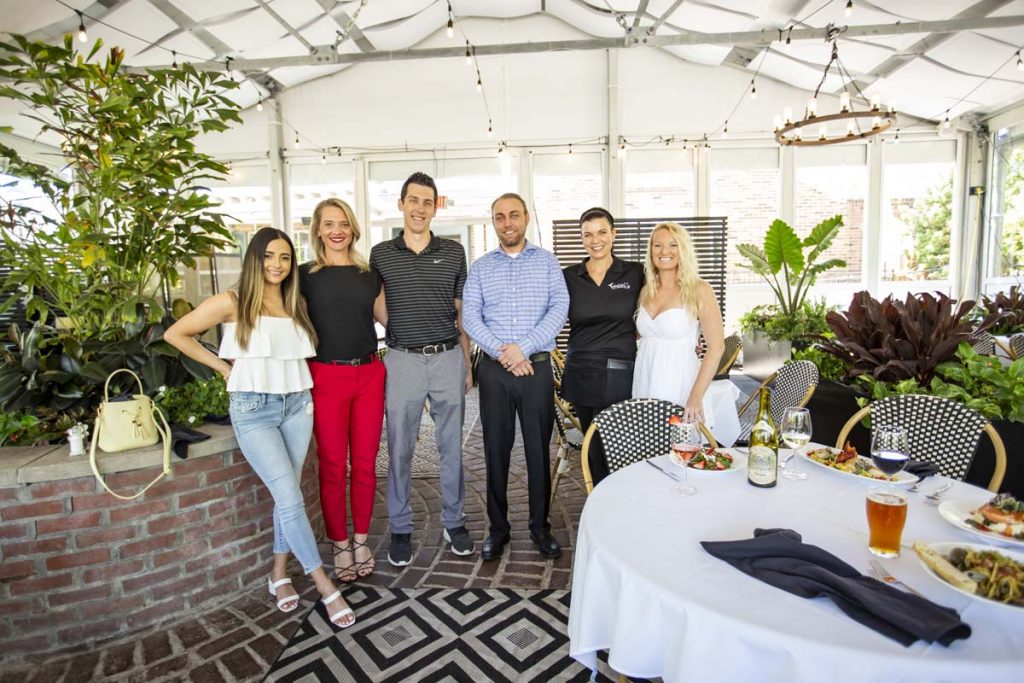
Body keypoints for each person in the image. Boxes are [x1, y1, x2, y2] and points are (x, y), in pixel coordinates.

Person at [165, 227, 354, 629]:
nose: (277, 264)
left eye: (285, 257)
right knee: (289, 497)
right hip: (253, 409)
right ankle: (324, 586)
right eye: (269, 256)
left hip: (298, 404)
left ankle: (278, 574)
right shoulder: (231, 301)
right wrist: (220, 365)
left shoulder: (294, 301)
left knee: (287, 499)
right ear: (254, 258)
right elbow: (176, 333)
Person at [369, 172, 475, 567]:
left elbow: (462, 313)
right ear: (401, 204)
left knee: (451, 449)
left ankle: (454, 521)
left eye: (427, 202)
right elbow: (376, 304)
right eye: (413, 200)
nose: (419, 208)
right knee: (399, 449)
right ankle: (400, 527)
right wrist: (394, 331)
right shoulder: (381, 254)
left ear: (436, 207)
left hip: (448, 356)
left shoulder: (454, 251)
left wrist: (466, 364)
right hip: (403, 359)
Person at [462, 192, 569, 561]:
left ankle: (541, 528)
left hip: (536, 368)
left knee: (539, 450)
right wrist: (503, 353)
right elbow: (471, 318)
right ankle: (498, 529)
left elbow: (560, 308)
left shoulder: (547, 263)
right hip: (494, 372)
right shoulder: (480, 268)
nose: (507, 223)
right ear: (493, 222)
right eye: (499, 217)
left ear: (526, 217)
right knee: (495, 451)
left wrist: (522, 347)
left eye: (513, 215)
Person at [300, 198, 386, 583]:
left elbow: (390, 320)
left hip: (369, 374)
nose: (337, 230)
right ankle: (339, 542)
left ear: (353, 228)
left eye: (344, 223)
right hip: (325, 376)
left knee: (366, 463)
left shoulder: (369, 275)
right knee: (333, 466)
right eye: (329, 223)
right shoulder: (303, 276)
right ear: (318, 229)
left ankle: (362, 540)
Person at [631, 222, 741, 446]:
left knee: (683, 451)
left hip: (681, 382)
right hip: (645, 378)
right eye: (657, 245)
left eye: (673, 245)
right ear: (650, 250)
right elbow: (643, 337)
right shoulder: (645, 290)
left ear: (683, 250)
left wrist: (695, 397)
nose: (664, 251)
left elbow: (716, 347)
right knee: (649, 449)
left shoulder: (699, 289)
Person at [562, 207, 644, 486]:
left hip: (622, 372)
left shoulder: (634, 272)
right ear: (581, 239)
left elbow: (660, 304)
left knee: (621, 446)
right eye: (588, 234)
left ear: (613, 234)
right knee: (593, 446)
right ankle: (600, 501)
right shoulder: (568, 276)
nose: (595, 240)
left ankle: (624, 499)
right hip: (582, 371)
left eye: (601, 232)